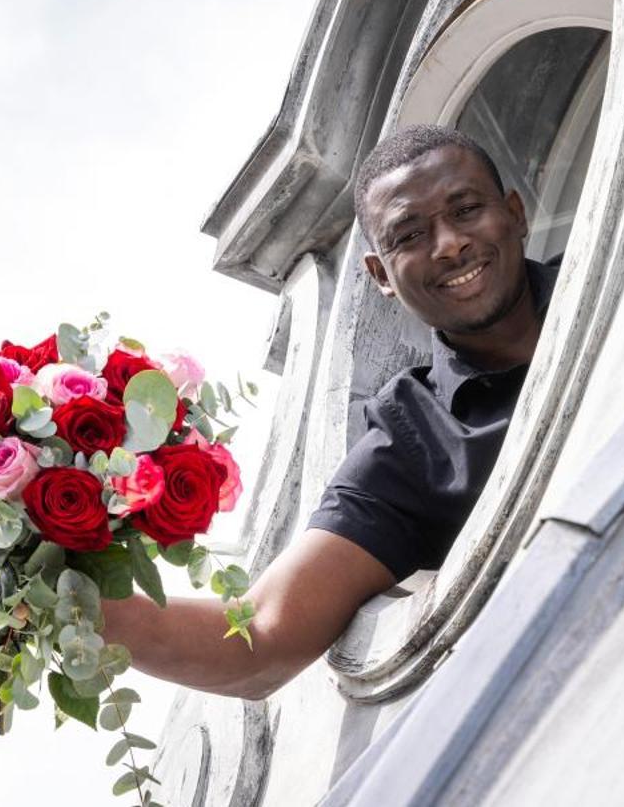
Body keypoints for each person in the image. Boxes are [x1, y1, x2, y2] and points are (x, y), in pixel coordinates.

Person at [103, 124, 556, 699]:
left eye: (466, 209)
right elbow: (260, 639)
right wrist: (74, 594)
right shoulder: (408, 438)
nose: (448, 244)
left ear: (515, 213)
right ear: (380, 277)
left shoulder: (620, 249)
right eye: (409, 235)